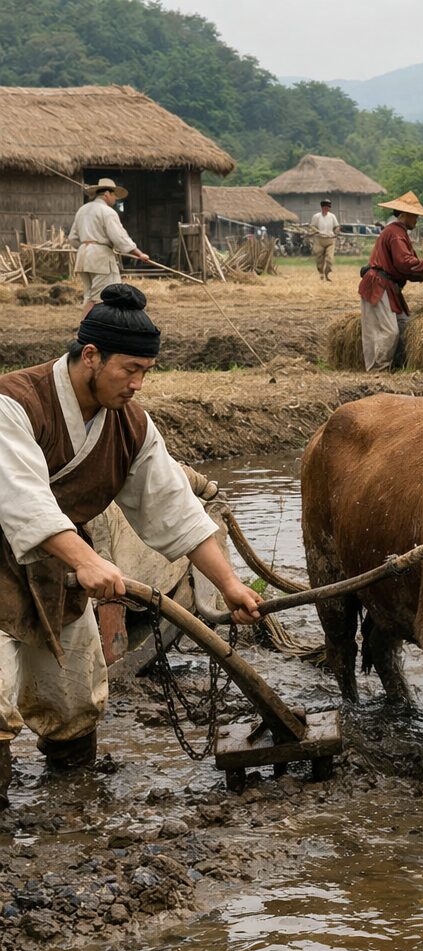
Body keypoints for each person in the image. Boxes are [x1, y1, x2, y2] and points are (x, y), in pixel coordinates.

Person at [0, 284, 261, 810]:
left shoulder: (131, 425)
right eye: (130, 370)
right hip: (15, 563)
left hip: (58, 576)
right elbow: (23, 500)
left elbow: (174, 508)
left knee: (72, 702)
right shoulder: (14, 403)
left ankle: (74, 808)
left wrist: (230, 585)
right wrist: (89, 560)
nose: (138, 384)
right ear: (90, 356)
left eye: (147, 372)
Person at [358, 191, 423, 372]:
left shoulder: (397, 232)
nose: (417, 219)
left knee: (405, 325)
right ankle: (378, 371)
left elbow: (407, 269)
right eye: (415, 215)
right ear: (404, 214)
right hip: (379, 286)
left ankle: (397, 366)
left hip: (390, 287)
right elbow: (404, 263)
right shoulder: (395, 233)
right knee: (389, 332)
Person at [68, 178, 149, 315]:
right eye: (114, 196)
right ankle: (87, 329)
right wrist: (139, 254)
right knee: (101, 296)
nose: (115, 200)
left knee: (89, 295)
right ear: (107, 194)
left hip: (83, 257)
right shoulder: (107, 212)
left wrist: (87, 247)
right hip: (100, 259)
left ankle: (90, 327)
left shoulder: (82, 210)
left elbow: (72, 238)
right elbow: (120, 237)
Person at [310, 199, 339, 280]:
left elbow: (336, 226)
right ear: (322, 207)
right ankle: (321, 273)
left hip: (330, 240)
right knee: (319, 259)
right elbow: (312, 226)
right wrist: (317, 231)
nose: (327, 209)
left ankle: (327, 273)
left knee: (330, 259)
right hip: (319, 240)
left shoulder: (332, 216)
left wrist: (337, 230)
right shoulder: (316, 216)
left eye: (328, 207)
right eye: (325, 207)